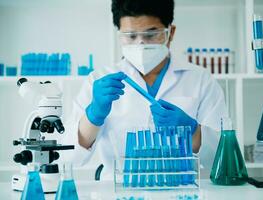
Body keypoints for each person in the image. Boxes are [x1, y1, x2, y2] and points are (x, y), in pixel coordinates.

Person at [62, 0, 228, 180]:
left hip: (182, 188)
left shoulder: (200, 80)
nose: (141, 44)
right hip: (117, 189)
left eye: (151, 34)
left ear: (170, 33)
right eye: (131, 36)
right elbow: (70, 159)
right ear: (120, 35)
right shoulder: (98, 80)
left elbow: (225, 160)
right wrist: (94, 114)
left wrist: (194, 132)